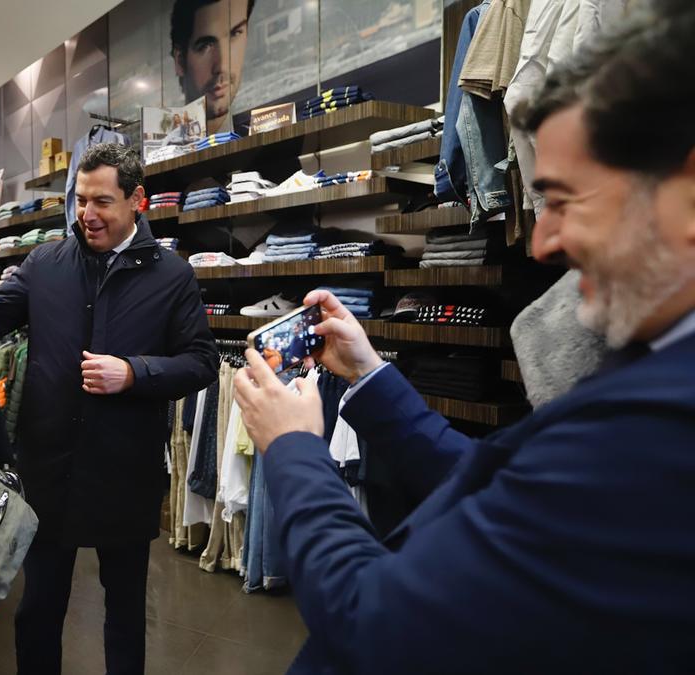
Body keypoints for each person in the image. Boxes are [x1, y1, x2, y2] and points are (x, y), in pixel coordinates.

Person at [232, 6, 695, 673]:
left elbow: (373, 622)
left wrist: (295, 450)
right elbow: (499, 484)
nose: (542, 240)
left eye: (566, 200)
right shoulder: (645, 364)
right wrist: (369, 375)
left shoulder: (656, 430)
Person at [0, 142, 217, 674]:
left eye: (102, 202)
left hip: (126, 471)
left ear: (137, 200)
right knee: (39, 607)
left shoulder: (172, 275)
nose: (87, 215)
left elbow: (202, 362)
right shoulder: (46, 263)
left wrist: (135, 372)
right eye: (80, 200)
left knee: (125, 614)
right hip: (50, 469)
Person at [170, 0, 255, 134]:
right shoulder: (167, 144)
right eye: (205, 46)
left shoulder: (256, 135)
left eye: (235, 33)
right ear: (180, 60)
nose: (222, 66)